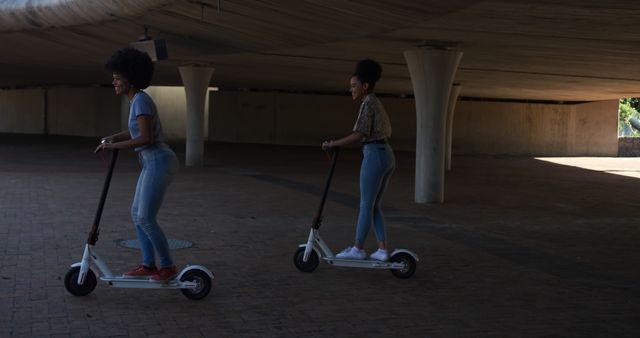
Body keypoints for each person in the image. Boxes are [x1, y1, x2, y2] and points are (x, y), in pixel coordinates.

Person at [95, 47, 179, 281]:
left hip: (159, 160)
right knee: (136, 213)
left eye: (118, 78)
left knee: (146, 218)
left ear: (130, 80)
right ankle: (149, 265)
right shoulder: (137, 100)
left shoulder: (140, 101)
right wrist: (113, 137)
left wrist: (112, 147)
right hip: (151, 161)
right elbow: (135, 130)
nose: (114, 82)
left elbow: (145, 138)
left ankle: (167, 266)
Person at [322, 59, 395, 262]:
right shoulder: (375, 101)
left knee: (365, 204)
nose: (351, 89)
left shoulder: (368, 103)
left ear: (365, 86)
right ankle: (382, 250)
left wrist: (334, 143)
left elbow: (359, 134)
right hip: (386, 154)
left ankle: (358, 248)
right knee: (374, 205)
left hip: (374, 155)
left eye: (354, 85)